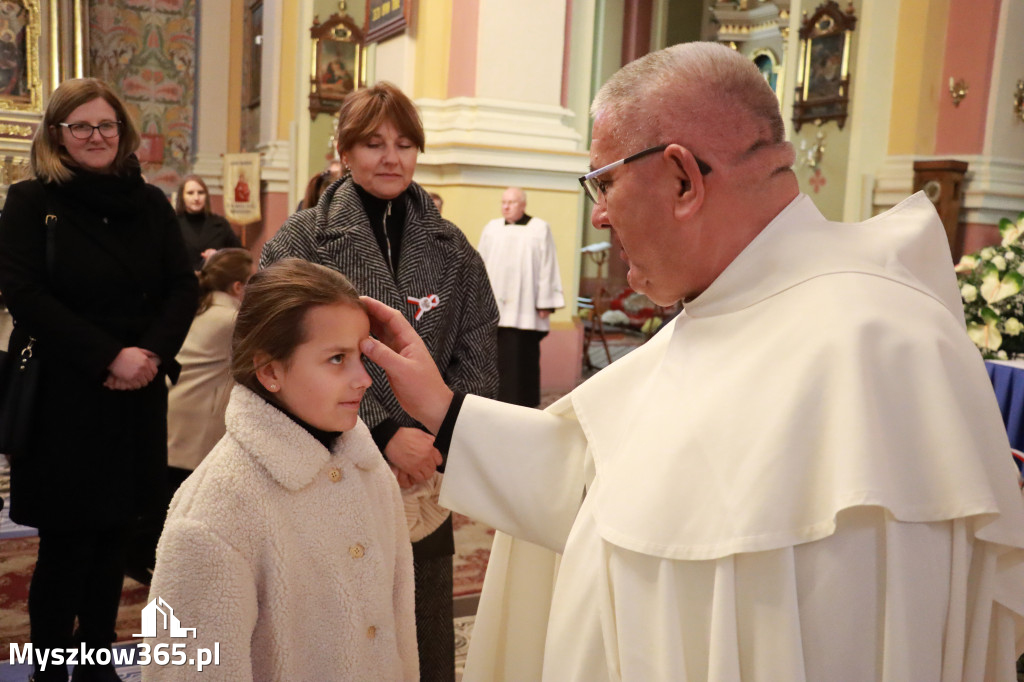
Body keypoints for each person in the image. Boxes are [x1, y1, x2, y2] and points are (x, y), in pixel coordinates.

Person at [359, 42, 1024, 681]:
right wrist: (444, 410)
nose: (600, 220)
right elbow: (594, 477)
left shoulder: (876, 351)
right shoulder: (734, 304)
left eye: (604, 184)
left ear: (682, 178)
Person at [261, 80, 498, 681]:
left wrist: (440, 440)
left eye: (404, 143)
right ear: (344, 151)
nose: (391, 157)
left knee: (422, 636)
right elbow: (272, 363)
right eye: (373, 143)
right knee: (338, 633)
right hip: (332, 468)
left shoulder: (453, 249)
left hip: (426, 478)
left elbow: (477, 355)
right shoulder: (301, 241)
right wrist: (384, 430)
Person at [0, 77, 197, 682]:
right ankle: (52, 665)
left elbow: (182, 287)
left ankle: (97, 663)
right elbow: (24, 293)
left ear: (123, 132)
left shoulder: (151, 203)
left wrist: (151, 358)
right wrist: (109, 355)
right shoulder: (32, 201)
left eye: (106, 125)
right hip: (66, 388)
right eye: (80, 126)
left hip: (136, 391)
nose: (95, 136)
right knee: (67, 543)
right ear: (56, 134)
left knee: (117, 530)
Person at [145, 259, 416, 681]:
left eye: (361, 356)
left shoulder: (367, 468)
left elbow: (396, 627)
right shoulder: (215, 514)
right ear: (270, 370)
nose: (364, 379)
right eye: (336, 359)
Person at [166, 247, 253, 492]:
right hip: (198, 420)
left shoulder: (197, 308)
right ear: (238, 287)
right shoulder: (233, 319)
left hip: (175, 411)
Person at [478, 187, 564, 406]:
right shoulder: (491, 228)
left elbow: (548, 265)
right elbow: (480, 264)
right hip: (495, 306)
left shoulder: (539, 228)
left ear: (523, 205)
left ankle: (523, 401)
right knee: (494, 356)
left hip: (525, 308)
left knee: (521, 356)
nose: (506, 206)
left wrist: (545, 302)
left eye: (512, 202)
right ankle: (494, 398)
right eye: (503, 202)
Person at [174, 174, 241, 270]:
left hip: (215, 281)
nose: (196, 198)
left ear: (206, 195)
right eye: (190, 193)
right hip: (183, 281)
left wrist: (218, 255)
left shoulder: (221, 224)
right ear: (182, 196)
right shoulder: (173, 224)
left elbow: (240, 255)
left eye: (201, 192)